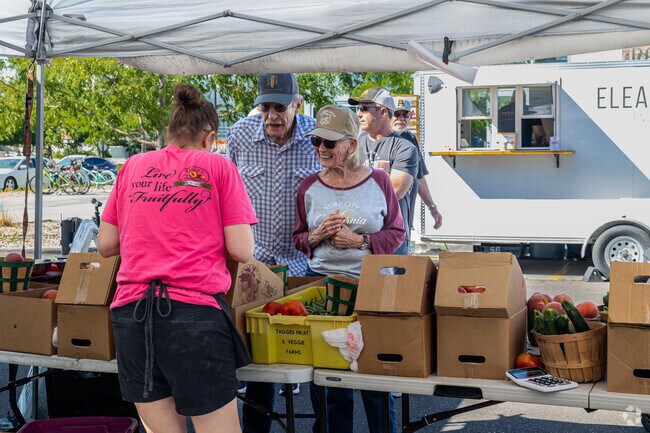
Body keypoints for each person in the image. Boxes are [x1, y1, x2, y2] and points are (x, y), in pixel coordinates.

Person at [97, 84, 257, 433]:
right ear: (210, 137)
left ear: (170, 133)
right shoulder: (218, 166)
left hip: (132, 317)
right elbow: (243, 250)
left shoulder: (133, 166)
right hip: (194, 317)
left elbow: (106, 243)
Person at [293, 105, 405, 433]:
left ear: (352, 145)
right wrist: (317, 235)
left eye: (329, 143)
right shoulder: (309, 187)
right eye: (316, 142)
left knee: (374, 380)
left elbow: (397, 232)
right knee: (329, 382)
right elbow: (299, 238)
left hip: (370, 291)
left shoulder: (380, 182)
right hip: (323, 290)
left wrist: (360, 242)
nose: (321, 150)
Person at [226, 73, 321, 433]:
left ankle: (322, 426)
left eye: (280, 107)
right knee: (259, 357)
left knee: (311, 357)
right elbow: (226, 190)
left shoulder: (316, 136)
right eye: (265, 107)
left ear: (296, 104)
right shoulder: (239, 135)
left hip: (306, 260)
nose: (272, 116)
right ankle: (257, 429)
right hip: (256, 262)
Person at [349, 87, 419, 256]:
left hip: (392, 238)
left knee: (392, 282)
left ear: (382, 111)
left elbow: (394, 191)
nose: (359, 114)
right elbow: (342, 185)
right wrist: (382, 178)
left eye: (365, 108)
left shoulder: (405, 147)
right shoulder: (355, 144)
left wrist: (358, 181)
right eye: (358, 109)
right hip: (358, 236)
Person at [391, 98, 443, 230]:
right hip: (384, 220)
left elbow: (418, 177)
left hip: (405, 217)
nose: (401, 119)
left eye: (405, 115)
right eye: (396, 114)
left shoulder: (410, 138)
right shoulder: (377, 138)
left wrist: (432, 207)